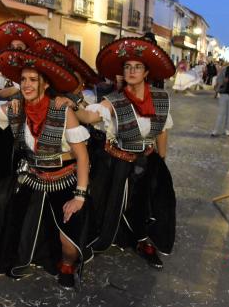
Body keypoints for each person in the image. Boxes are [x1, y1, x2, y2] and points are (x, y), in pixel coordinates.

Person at [0, 48, 92, 289]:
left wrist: (80, 196)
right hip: (32, 177)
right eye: (23, 79)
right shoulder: (15, 108)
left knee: (69, 247)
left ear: (45, 84)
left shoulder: (64, 111)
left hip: (64, 179)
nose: (27, 85)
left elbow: (83, 158)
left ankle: (66, 264)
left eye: (33, 80)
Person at [74, 36, 176, 269]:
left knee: (145, 203)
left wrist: (161, 161)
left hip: (147, 160)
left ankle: (141, 241)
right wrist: (73, 103)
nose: (131, 71)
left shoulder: (160, 99)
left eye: (137, 67)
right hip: (117, 163)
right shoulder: (114, 100)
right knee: (110, 203)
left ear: (147, 72)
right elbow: (90, 116)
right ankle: (104, 238)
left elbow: (162, 131)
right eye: (127, 67)